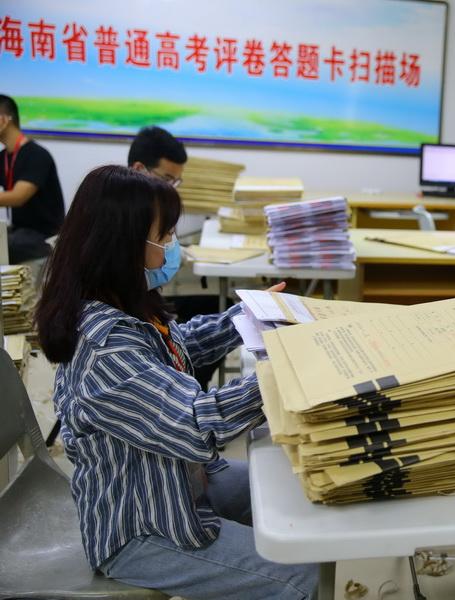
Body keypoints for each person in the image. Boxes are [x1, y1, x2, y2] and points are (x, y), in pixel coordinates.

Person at [35, 166, 317, 599]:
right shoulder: (105, 350)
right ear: (123, 243)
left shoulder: (122, 305)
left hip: (183, 484)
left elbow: (180, 345)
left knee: (298, 488)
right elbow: (197, 425)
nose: (171, 246)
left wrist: (247, 317)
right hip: (144, 528)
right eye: (164, 235)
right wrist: (284, 370)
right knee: (302, 577)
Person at [127, 125, 227, 391]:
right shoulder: (126, 217)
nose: (172, 188)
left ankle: (190, 381)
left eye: (176, 182)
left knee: (220, 310)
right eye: (167, 179)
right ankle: (190, 383)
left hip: (147, 310)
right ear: (139, 169)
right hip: (139, 316)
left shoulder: (150, 206)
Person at [0, 94, 65, 263]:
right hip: (19, 231)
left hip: (44, 235)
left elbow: (18, 197)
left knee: (7, 244)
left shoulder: (36, 155)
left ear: (4, 120)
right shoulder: (3, 156)